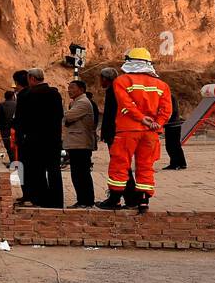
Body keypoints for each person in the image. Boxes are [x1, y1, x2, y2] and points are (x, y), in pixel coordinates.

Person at [99, 48, 172, 214]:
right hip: (151, 133)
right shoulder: (162, 85)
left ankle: (115, 199)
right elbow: (166, 110)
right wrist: (157, 123)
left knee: (120, 164)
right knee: (146, 166)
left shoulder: (122, 81)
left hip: (127, 130)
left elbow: (126, 104)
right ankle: (144, 201)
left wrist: (141, 118)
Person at [13, 68, 65, 208]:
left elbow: (21, 119)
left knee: (37, 170)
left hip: (34, 139)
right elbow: (60, 115)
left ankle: (40, 199)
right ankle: (56, 201)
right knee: (54, 170)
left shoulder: (27, 95)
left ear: (32, 79)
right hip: (53, 139)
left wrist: (21, 137)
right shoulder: (55, 94)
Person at [98, 66, 141, 207]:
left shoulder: (115, 91)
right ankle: (129, 198)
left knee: (120, 168)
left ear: (105, 79)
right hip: (119, 133)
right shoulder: (116, 90)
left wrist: (108, 134)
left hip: (117, 134)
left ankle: (120, 198)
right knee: (122, 167)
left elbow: (111, 116)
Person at [63, 79, 98, 207]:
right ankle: (82, 200)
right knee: (77, 174)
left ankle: (86, 201)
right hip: (77, 143)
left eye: (73, 88)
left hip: (81, 144)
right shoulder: (76, 103)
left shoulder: (83, 102)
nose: (69, 90)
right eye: (69, 88)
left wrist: (66, 115)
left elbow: (68, 117)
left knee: (82, 174)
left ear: (81, 90)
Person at [9, 69, 33, 200]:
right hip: (25, 136)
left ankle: (27, 195)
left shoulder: (24, 96)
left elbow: (19, 118)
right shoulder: (29, 94)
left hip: (23, 137)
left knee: (23, 166)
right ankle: (27, 194)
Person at [0, 89, 18, 163]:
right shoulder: (17, 104)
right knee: (16, 146)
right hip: (15, 128)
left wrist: (0, 128)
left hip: (4, 129)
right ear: (13, 96)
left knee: (8, 146)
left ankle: (12, 161)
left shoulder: (1, 105)